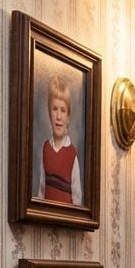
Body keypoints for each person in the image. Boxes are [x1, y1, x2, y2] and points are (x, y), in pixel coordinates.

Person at [36, 73, 82, 205]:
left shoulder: (72, 153)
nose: (58, 116)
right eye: (54, 109)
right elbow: (41, 189)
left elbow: (77, 196)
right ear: (49, 113)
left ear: (68, 117)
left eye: (63, 110)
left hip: (66, 220)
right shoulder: (46, 148)